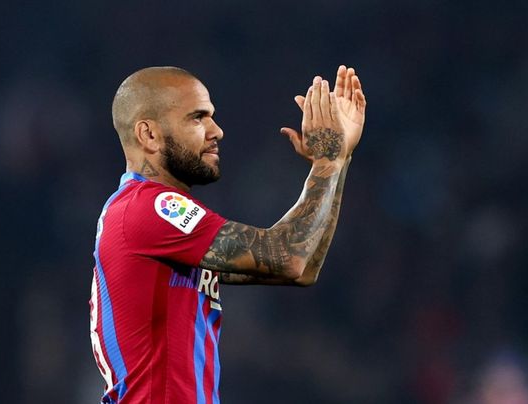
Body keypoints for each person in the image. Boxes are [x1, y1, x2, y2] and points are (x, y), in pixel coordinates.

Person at [89, 65, 366, 403]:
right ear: (149, 135)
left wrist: (339, 159)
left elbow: (303, 268)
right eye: (197, 118)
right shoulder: (149, 207)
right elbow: (290, 257)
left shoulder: (153, 221)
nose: (217, 131)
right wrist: (327, 160)